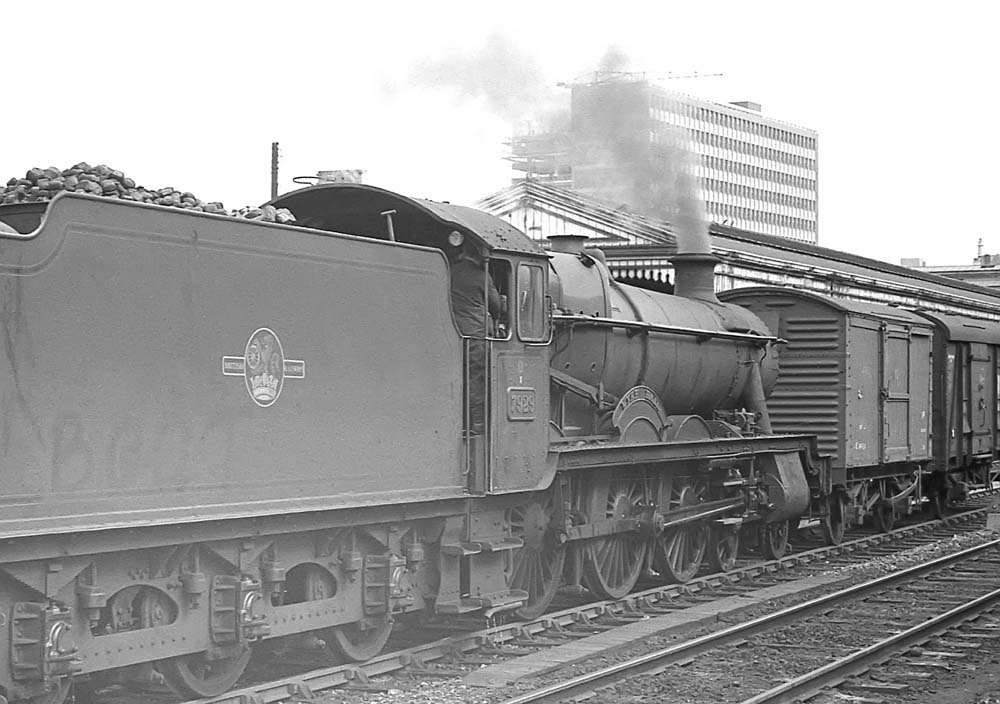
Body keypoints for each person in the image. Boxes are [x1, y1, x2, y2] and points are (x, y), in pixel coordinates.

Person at [448, 234, 501, 434]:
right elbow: (495, 306)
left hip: (450, 333)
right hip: (474, 335)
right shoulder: (481, 276)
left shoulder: (449, 272)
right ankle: (477, 427)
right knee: (475, 380)